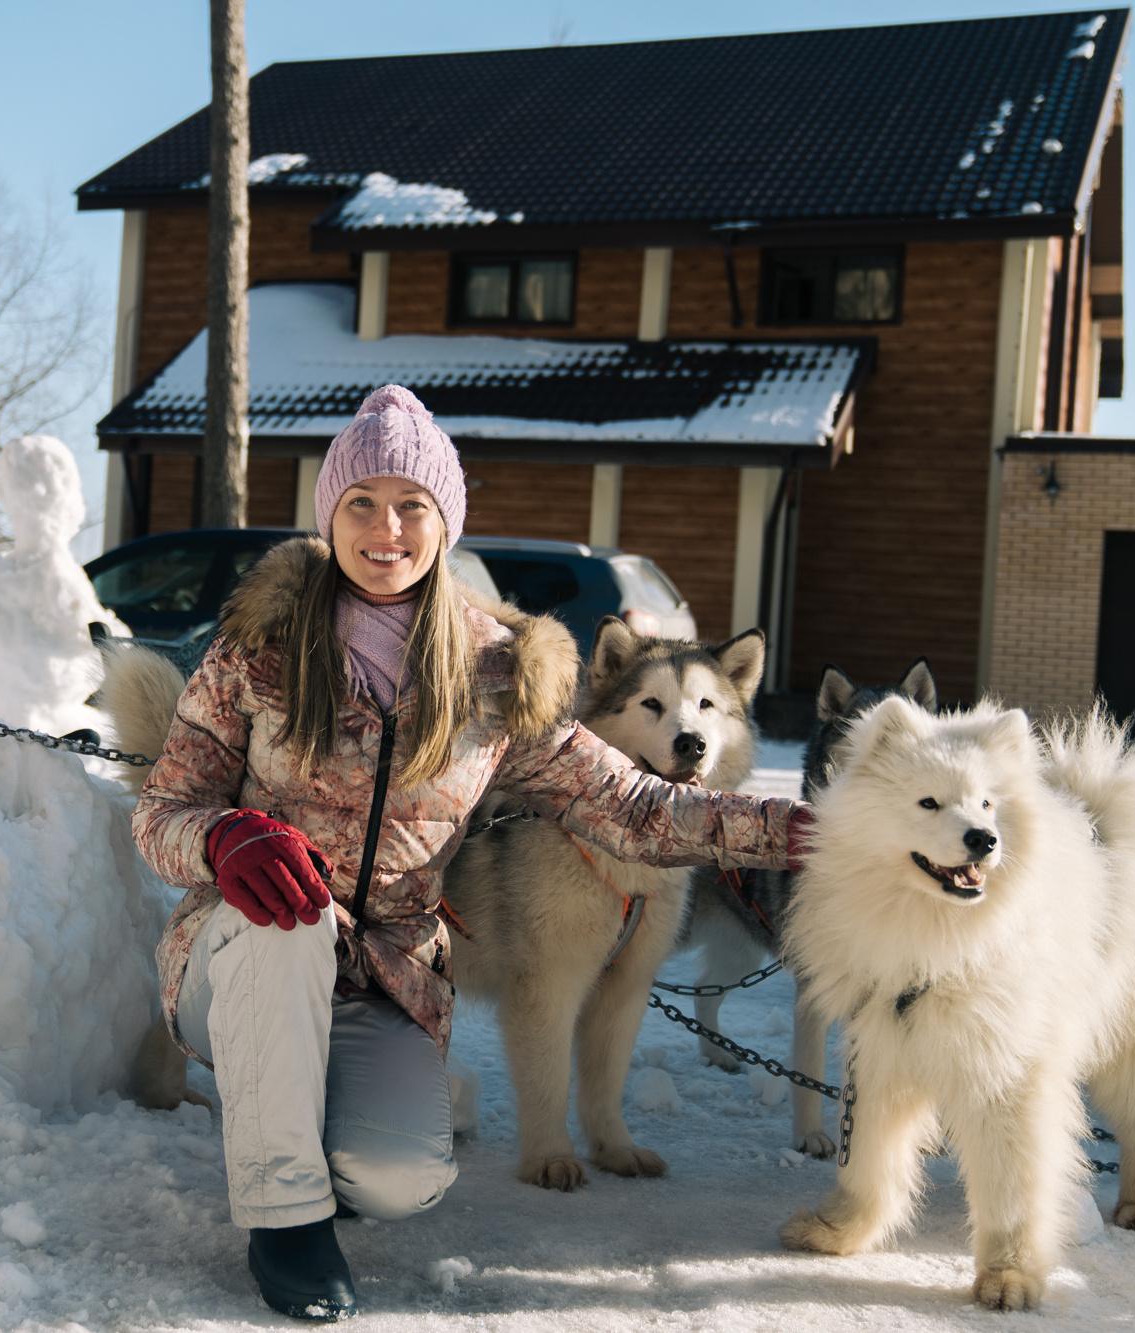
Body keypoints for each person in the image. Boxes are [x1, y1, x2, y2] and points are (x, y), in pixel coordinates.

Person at [131, 384, 809, 1321]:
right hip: (241, 954)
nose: (386, 529)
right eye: (362, 502)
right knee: (290, 920)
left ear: (444, 521)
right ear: (331, 515)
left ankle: (308, 1125)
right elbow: (162, 809)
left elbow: (634, 806)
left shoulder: (497, 675)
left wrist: (791, 830)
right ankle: (285, 1222)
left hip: (384, 975)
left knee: (397, 1178)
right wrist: (224, 834)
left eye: (411, 504)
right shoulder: (259, 648)